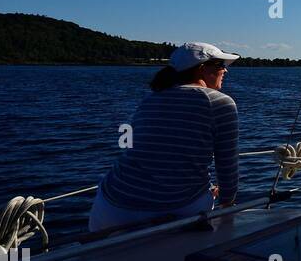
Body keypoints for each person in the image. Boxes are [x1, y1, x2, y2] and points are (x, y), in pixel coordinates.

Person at [89, 42, 240, 233]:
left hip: (110, 205)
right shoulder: (219, 102)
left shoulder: (151, 98)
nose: (225, 71)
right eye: (220, 65)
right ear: (202, 69)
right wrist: (227, 206)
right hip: (173, 207)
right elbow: (227, 164)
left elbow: (155, 153)